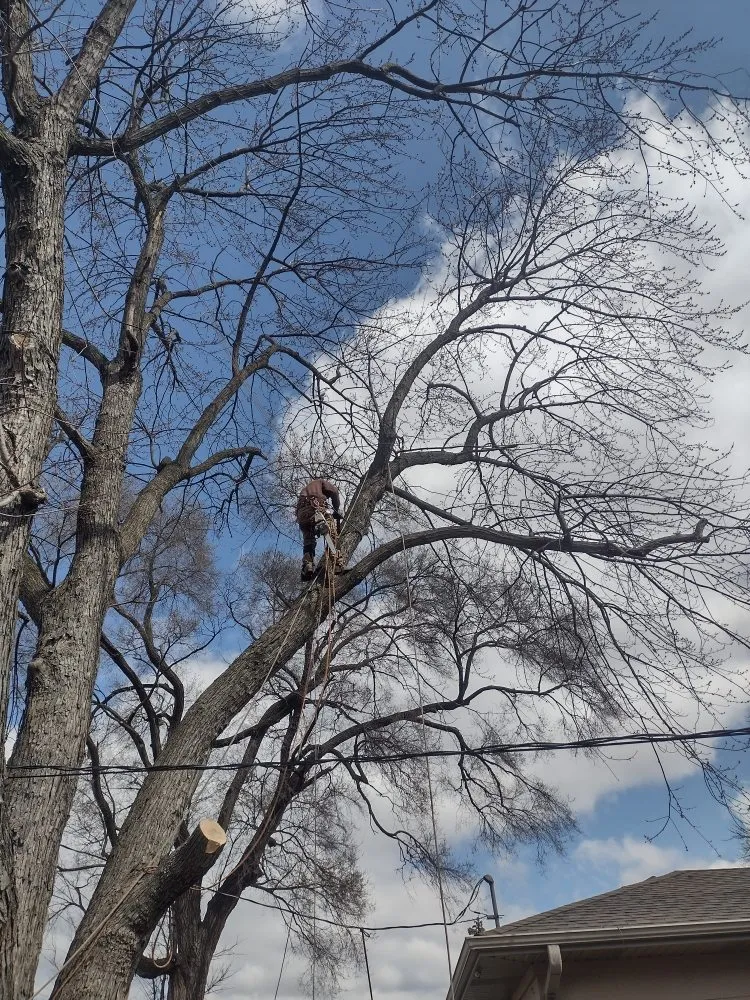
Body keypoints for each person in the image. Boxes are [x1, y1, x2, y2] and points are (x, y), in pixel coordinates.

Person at [296, 478, 341, 580]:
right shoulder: (321, 482)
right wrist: (336, 510)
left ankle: (308, 565)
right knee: (331, 531)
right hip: (315, 507)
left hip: (301, 514)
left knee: (308, 540)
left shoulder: (306, 489)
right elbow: (334, 491)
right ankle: (337, 563)